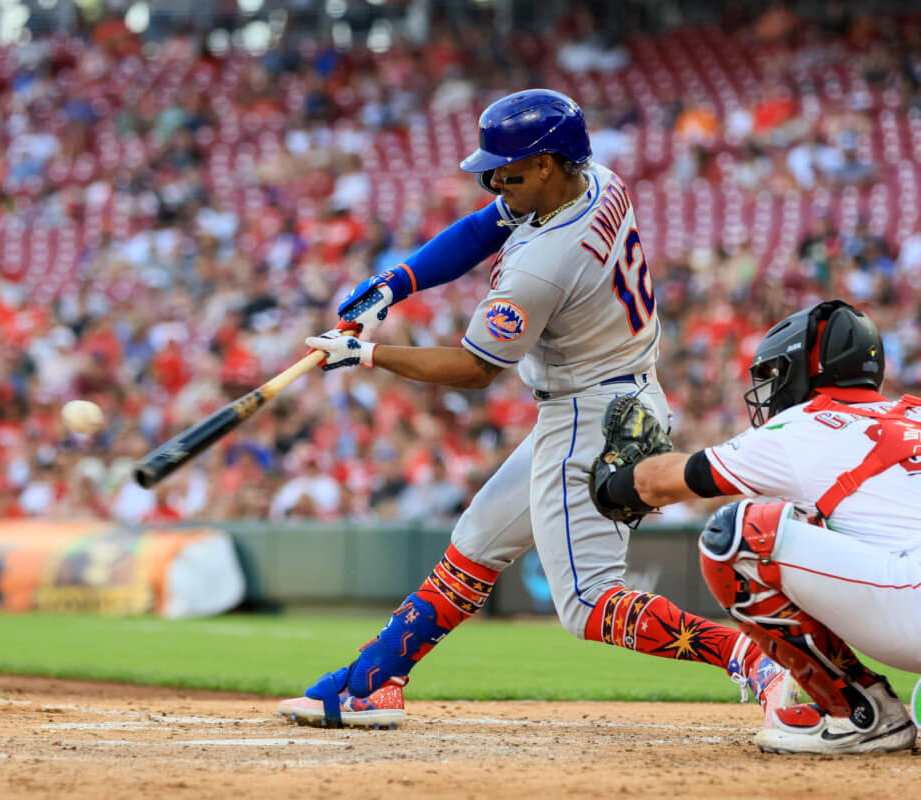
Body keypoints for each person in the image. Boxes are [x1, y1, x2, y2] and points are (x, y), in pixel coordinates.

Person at [278, 89, 784, 730]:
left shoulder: (544, 265)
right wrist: (396, 282)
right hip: (614, 396)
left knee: (589, 604)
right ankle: (373, 681)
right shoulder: (594, 178)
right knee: (475, 544)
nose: (494, 182)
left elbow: (476, 370)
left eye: (508, 171)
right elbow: (481, 227)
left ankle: (756, 657)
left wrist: (369, 355)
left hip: (587, 415)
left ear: (546, 164)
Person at [589, 299, 919, 755]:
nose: (772, 388)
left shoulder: (803, 425)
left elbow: (664, 482)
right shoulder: (914, 413)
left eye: (777, 373)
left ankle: (860, 712)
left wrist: (615, 481)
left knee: (737, 538)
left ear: (806, 368)